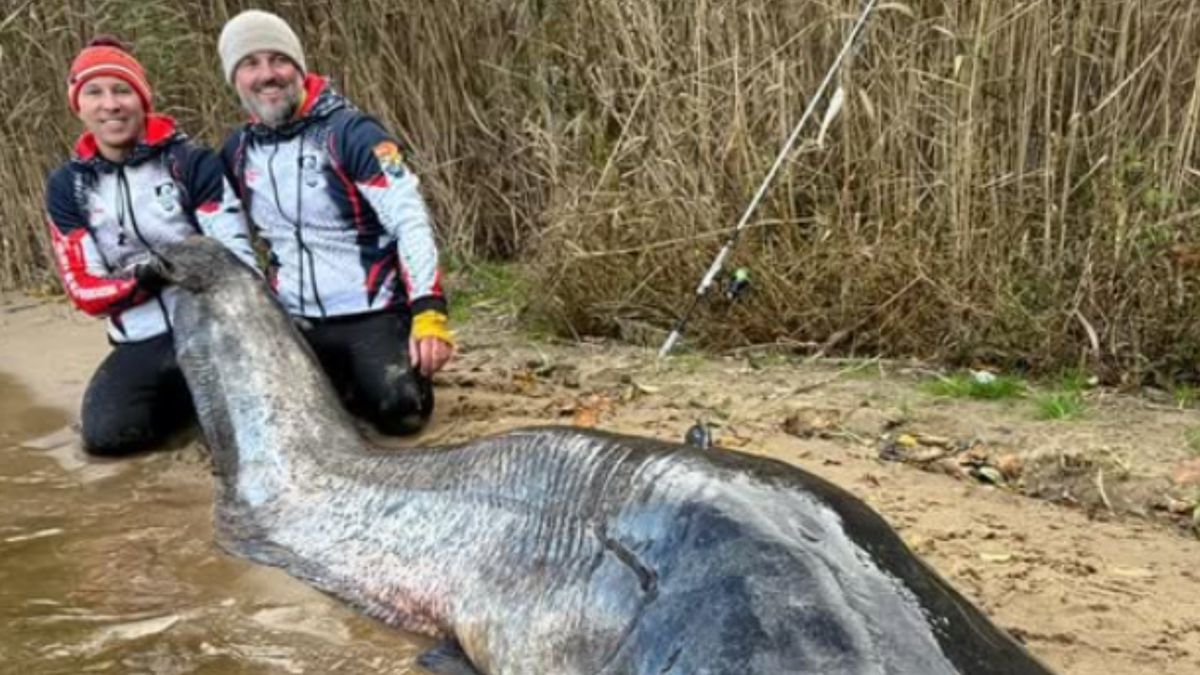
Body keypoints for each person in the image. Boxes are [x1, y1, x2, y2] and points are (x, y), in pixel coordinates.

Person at [216, 10, 454, 436]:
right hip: (293, 316)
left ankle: (371, 373)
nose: (268, 75)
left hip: (372, 310)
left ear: (299, 68)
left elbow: (410, 221)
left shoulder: (351, 133)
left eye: (279, 60)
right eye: (251, 64)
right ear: (235, 79)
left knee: (403, 413)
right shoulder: (236, 151)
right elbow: (221, 238)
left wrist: (428, 312)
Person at [45, 36, 258, 456]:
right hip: (139, 338)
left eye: (122, 90)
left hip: (212, 331)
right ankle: (183, 408)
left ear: (142, 99)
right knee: (107, 438)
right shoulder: (67, 187)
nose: (111, 104)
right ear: (79, 105)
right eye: (95, 92)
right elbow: (83, 288)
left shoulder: (190, 162)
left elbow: (237, 262)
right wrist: (147, 278)